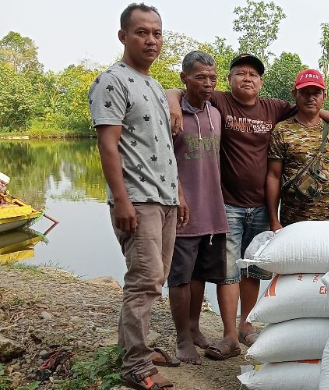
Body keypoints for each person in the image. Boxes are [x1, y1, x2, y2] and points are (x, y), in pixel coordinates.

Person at [166, 54, 329, 355]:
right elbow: (179, 90)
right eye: (241, 73)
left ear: (261, 82)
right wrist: (171, 103)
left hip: (261, 206)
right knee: (229, 272)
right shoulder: (219, 101)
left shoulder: (273, 108)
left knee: (255, 270)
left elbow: (311, 108)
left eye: (254, 75)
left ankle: (247, 324)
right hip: (229, 205)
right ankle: (230, 335)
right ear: (229, 79)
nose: (247, 79)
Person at [89, 3, 183, 389]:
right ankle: (136, 367)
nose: (151, 40)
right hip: (138, 200)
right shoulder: (111, 81)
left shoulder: (155, 85)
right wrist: (121, 200)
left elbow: (159, 146)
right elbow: (108, 146)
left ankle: (137, 347)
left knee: (155, 279)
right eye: (142, 32)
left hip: (164, 199)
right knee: (143, 281)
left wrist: (178, 194)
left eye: (157, 33)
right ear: (123, 36)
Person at [167, 51, 232, 364]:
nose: (208, 84)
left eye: (212, 78)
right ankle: (182, 339)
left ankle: (193, 327)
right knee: (179, 276)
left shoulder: (215, 114)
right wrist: (177, 194)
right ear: (184, 79)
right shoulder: (171, 112)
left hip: (212, 210)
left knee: (200, 272)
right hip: (182, 212)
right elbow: (163, 161)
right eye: (200, 77)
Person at [266, 69, 329, 228]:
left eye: (316, 93)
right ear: (295, 94)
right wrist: (274, 221)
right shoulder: (282, 130)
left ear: (325, 96)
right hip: (294, 221)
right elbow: (274, 176)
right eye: (304, 93)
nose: (310, 98)